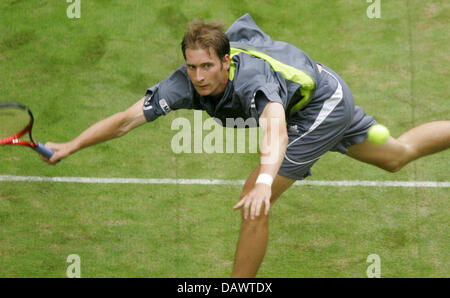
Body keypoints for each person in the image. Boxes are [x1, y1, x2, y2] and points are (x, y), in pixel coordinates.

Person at [43, 14, 450, 277]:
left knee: (255, 200)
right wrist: (72, 145)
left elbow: (275, 131)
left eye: (207, 66)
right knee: (396, 156)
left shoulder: (253, 81)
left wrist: (263, 181)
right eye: (192, 66)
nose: (199, 77)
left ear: (226, 61)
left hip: (318, 107)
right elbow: (125, 120)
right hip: (316, 89)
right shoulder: (184, 82)